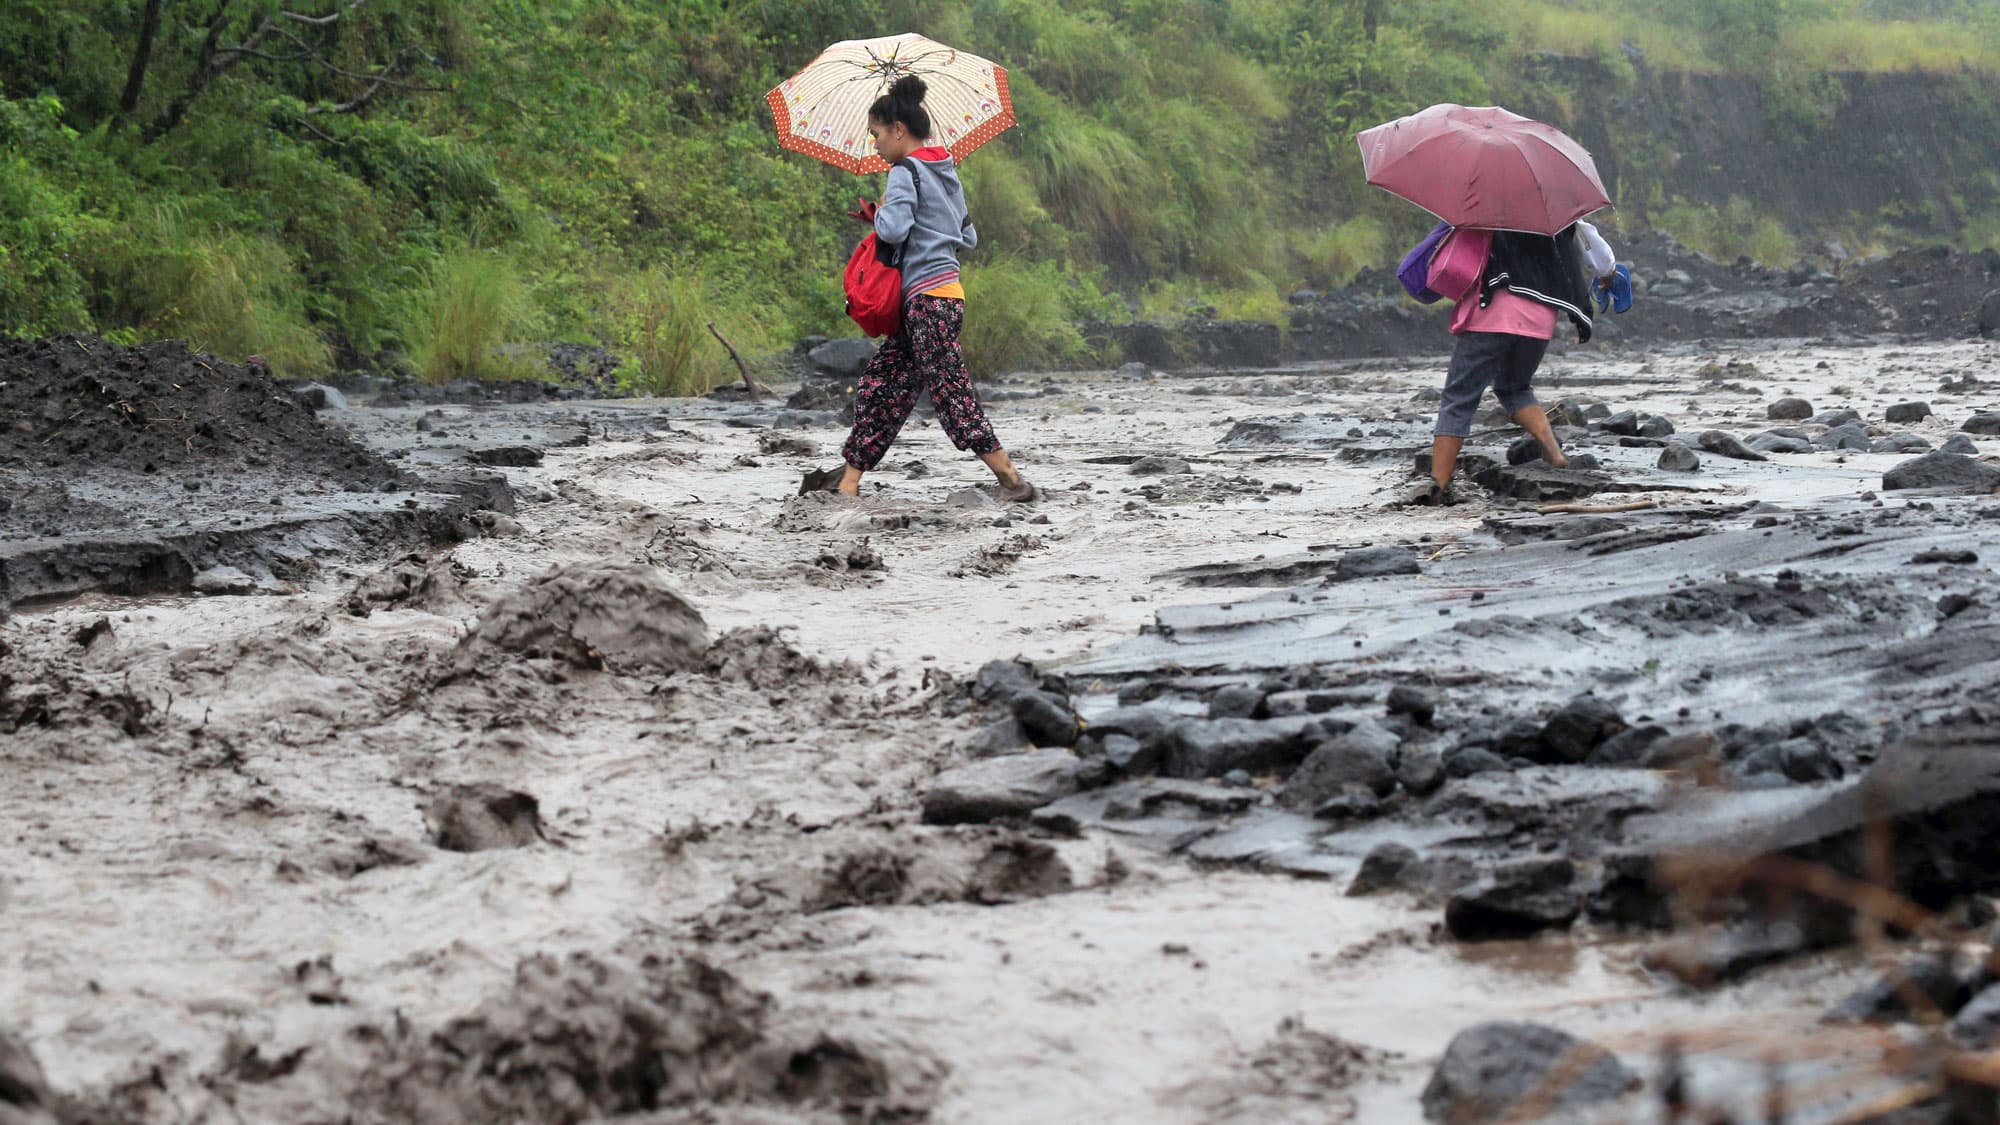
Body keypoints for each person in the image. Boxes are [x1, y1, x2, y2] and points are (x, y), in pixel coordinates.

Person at [830, 75, 1033, 502]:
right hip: (941, 300)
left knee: (950, 393)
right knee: (880, 384)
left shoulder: (904, 172)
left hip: (927, 302)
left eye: (876, 134)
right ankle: (848, 483)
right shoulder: (946, 169)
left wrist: (880, 213)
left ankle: (1012, 479)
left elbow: (896, 228)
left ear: (898, 130)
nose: (875, 144)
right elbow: (968, 236)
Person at [1408, 218, 1617, 505]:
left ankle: (1439, 485)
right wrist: (1608, 277)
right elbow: (1603, 260)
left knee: (1459, 398)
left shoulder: (1484, 209)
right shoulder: (1557, 213)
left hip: (1491, 314)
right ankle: (1554, 454)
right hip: (1539, 322)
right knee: (1513, 386)